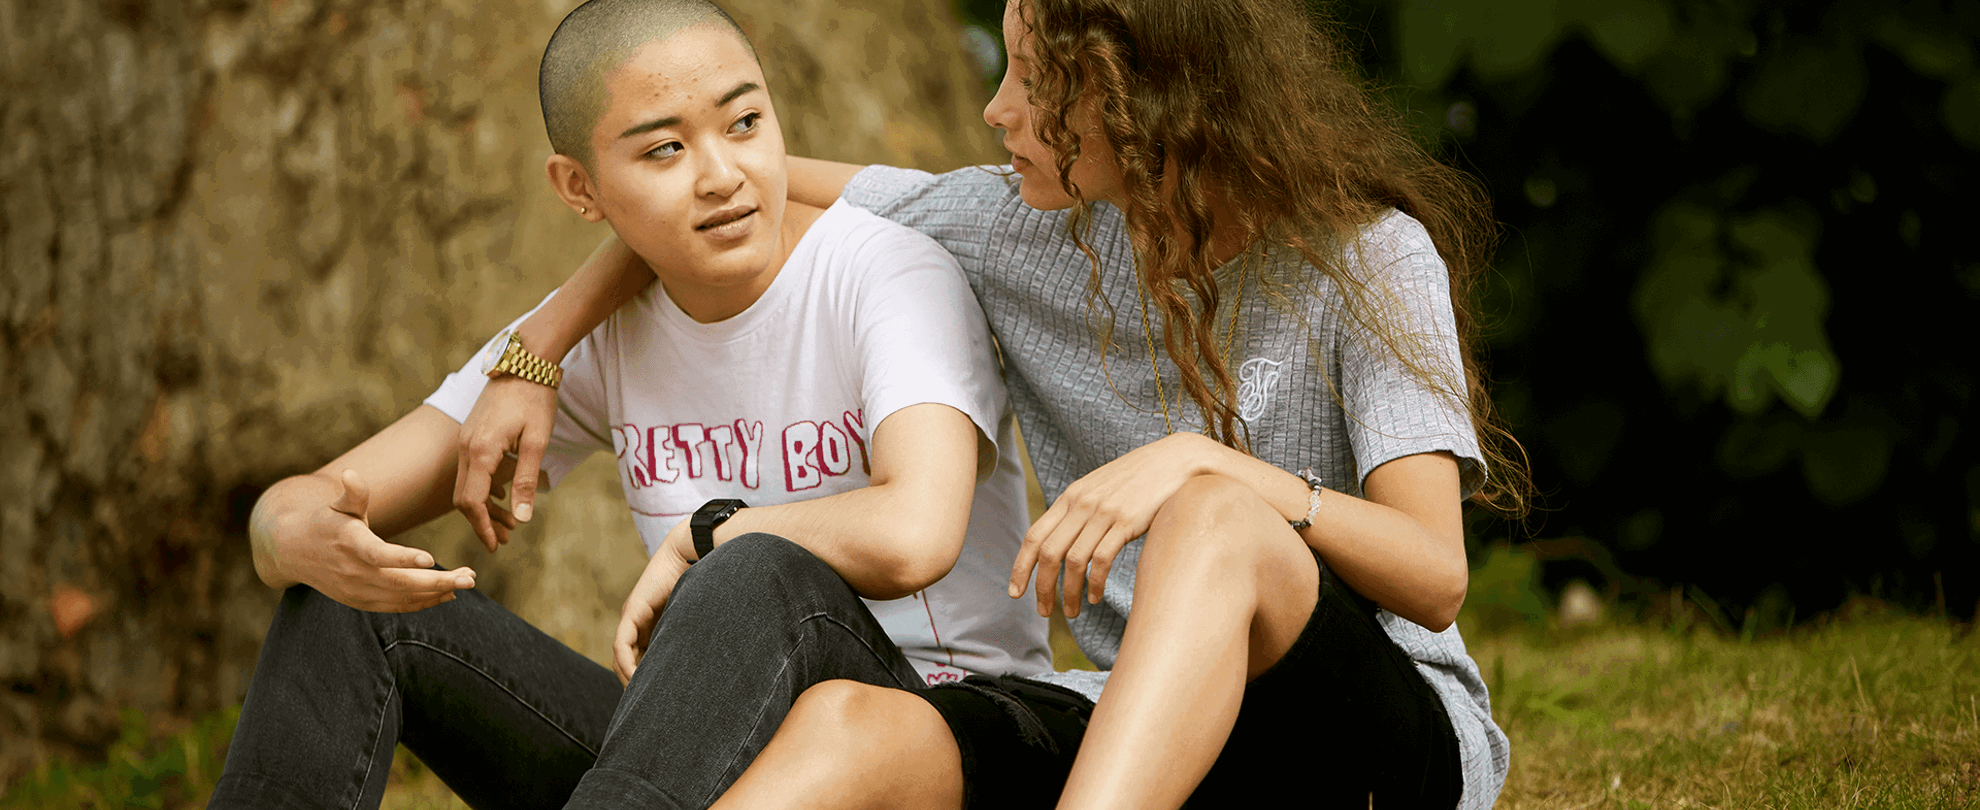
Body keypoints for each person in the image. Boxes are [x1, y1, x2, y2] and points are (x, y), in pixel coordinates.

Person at [460, 0, 1534, 807]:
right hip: (1146, 738)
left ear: (1147, 98)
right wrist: (539, 350)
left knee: (1215, 518)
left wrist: (1215, 470)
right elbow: (742, 194)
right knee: (848, 727)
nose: (996, 108)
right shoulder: (1017, 230)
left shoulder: (1367, 257)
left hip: (1370, 748)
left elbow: (1434, 577)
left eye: (1037, 84)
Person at [206, 1, 1053, 808]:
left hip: (925, 730)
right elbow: (313, 499)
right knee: (347, 607)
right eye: (663, 152)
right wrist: (293, 534)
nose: (723, 176)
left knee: (751, 564)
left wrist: (708, 533)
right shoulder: (587, 341)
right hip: (691, 754)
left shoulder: (887, 275)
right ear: (580, 188)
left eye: (745, 123)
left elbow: (917, 534)